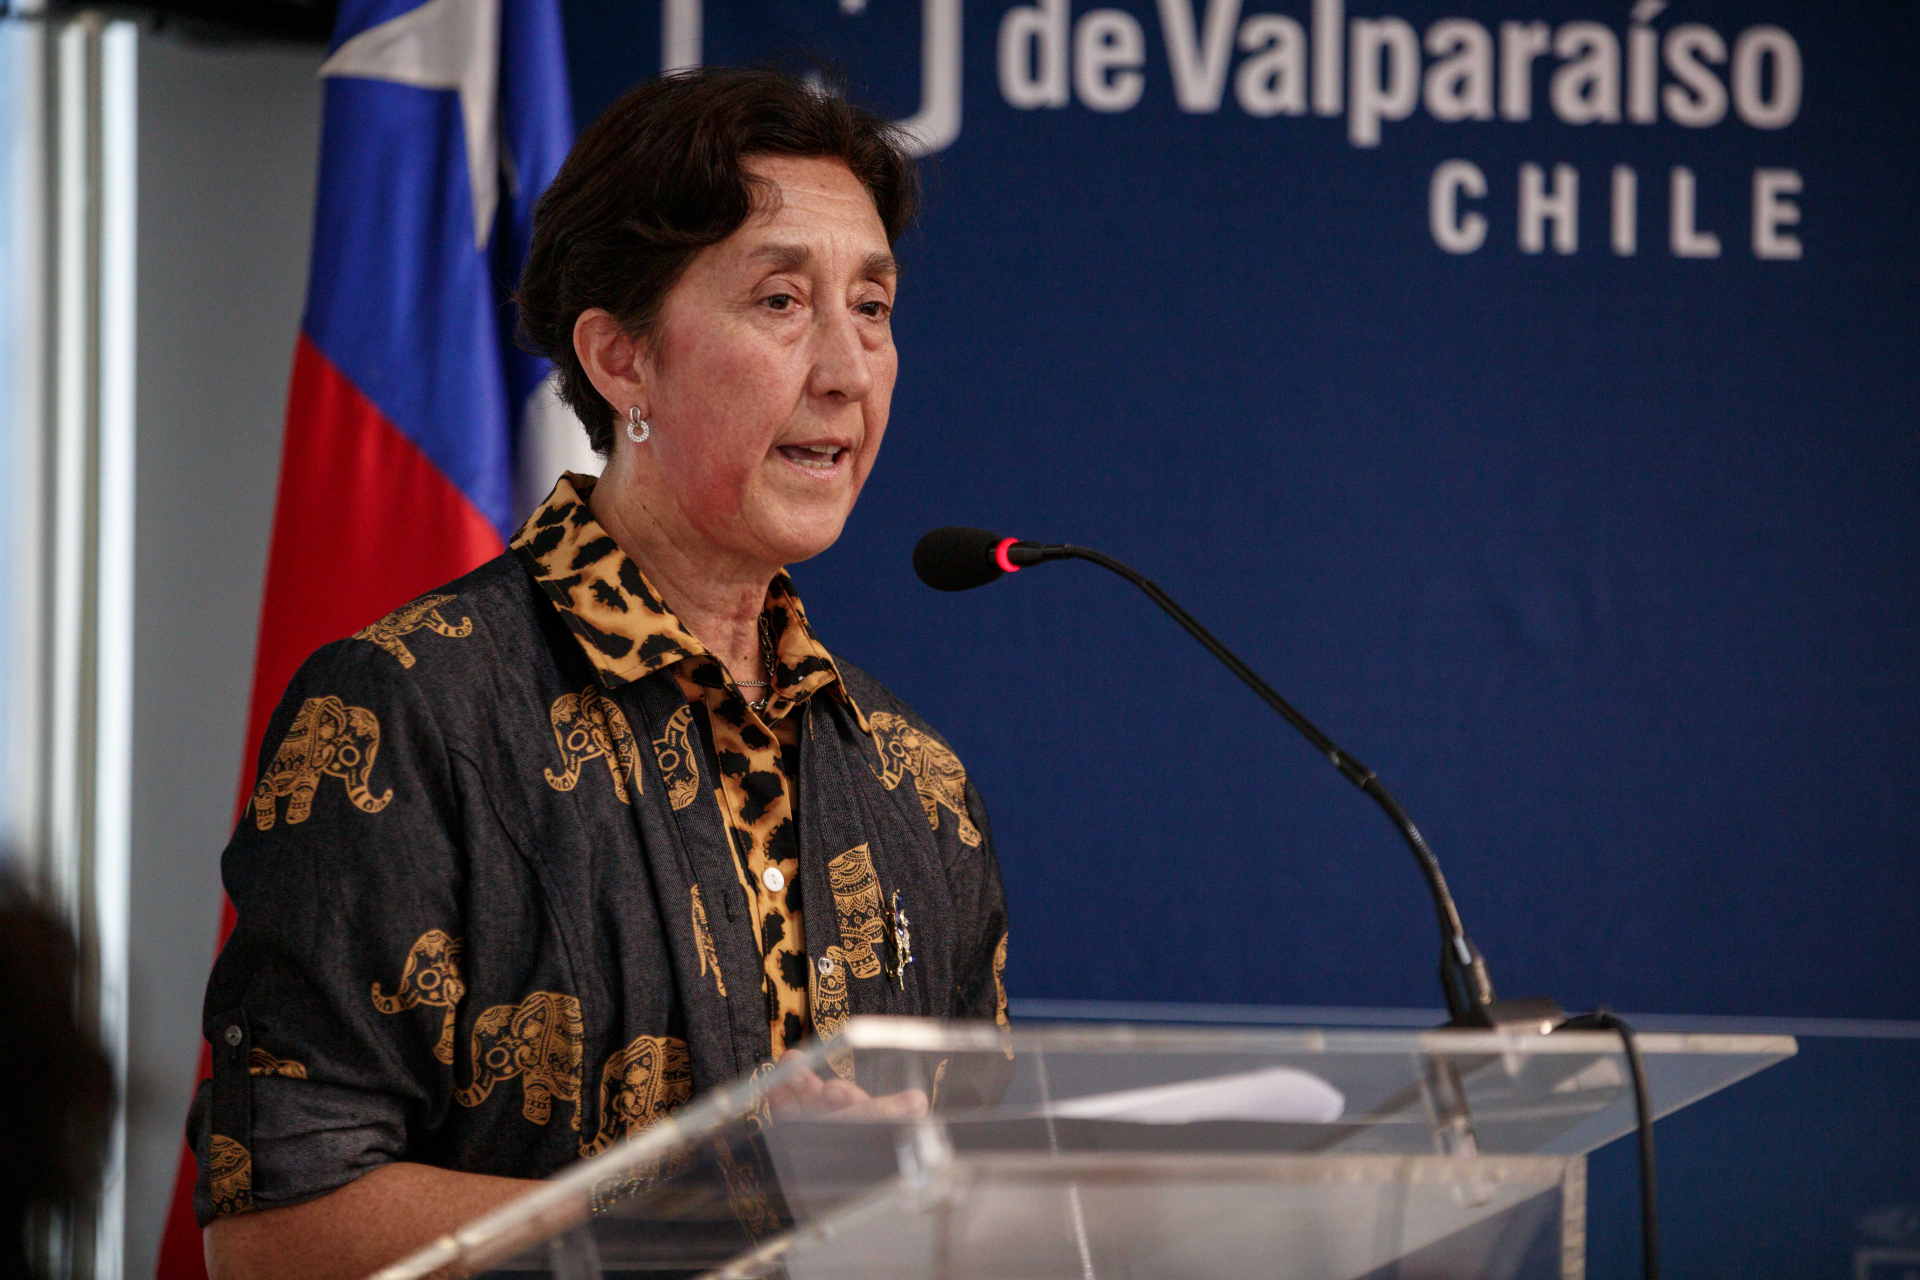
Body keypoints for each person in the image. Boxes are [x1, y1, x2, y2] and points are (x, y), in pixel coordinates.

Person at [193, 68, 1009, 1280]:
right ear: (622, 360)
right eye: (782, 300)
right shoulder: (409, 714)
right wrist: (708, 1198)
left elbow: (975, 1203)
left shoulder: (917, 783)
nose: (848, 367)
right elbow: (277, 1232)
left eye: (873, 306)